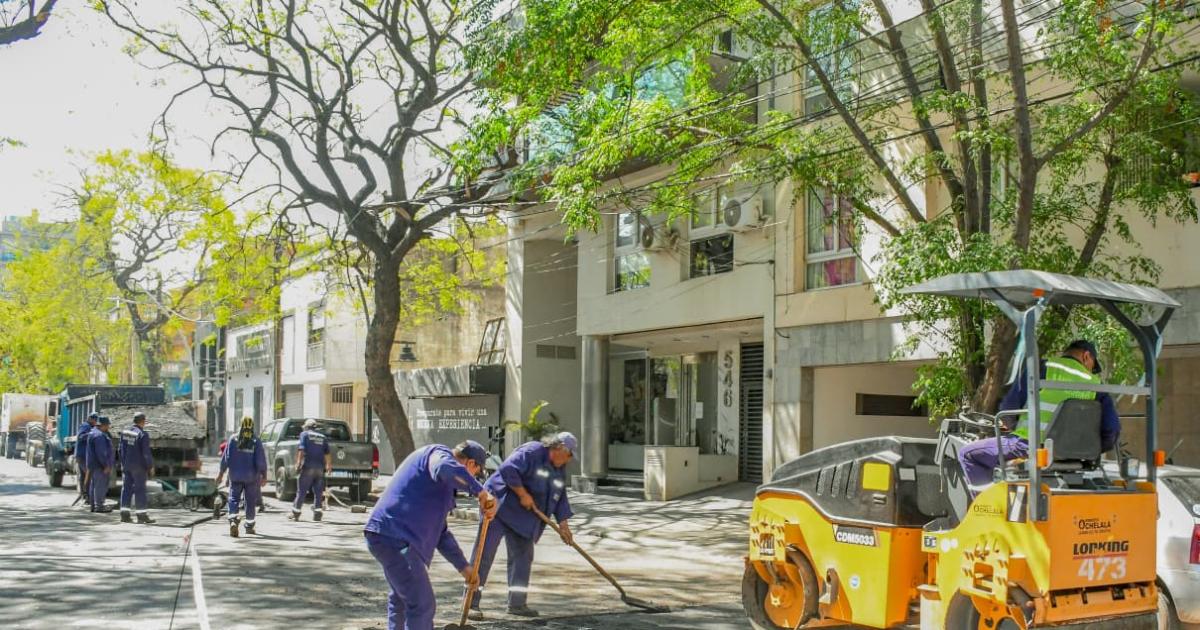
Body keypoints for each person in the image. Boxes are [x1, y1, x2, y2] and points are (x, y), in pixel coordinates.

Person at [364, 441, 497, 630]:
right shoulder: (438, 454)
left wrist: (464, 568)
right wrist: (480, 492)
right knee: (421, 604)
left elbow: (441, 533)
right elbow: (444, 467)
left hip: (387, 535)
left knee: (401, 599)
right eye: (476, 473)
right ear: (471, 465)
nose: (472, 477)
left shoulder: (440, 487)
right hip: (395, 537)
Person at [959, 339, 1120, 488]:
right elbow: (1111, 429)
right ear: (1086, 356)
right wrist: (1090, 451)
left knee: (967, 454)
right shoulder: (1096, 385)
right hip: (1077, 455)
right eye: (1093, 366)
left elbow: (1009, 407)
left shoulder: (1043, 367)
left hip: (1030, 446)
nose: (1092, 371)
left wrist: (1013, 427)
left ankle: (987, 509)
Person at [467, 432, 577, 620]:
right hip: (499, 507)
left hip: (523, 518)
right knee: (484, 555)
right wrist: (522, 493)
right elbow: (508, 469)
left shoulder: (559, 468)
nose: (570, 460)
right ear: (560, 448)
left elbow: (559, 496)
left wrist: (564, 525)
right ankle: (471, 602)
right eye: (569, 455)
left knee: (523, 557)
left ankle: (517, 604)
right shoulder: (532, 452)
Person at [215, 416, 267, 537]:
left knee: (233, 498)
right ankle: (249, 526)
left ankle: (233, 520)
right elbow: (260, 461)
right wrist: (263, 475)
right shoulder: (256, 440)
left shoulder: (233, 439)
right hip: (251, 478)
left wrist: (221, 474)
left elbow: (226, 459)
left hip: (235, 476)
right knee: (250, 501)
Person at [290, 418, 332, 522]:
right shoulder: (323, 437)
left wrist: (298, 463)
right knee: (318, 492)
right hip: (320, 469)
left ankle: (296, 512)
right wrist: (328, 466)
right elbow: (327, 453)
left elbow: (301, 449)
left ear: (307, 427)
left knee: (302, 491)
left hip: (308, 467)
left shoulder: (304, 434)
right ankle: (317, 513)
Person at [119, 412, 155, 524]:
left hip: (127, 465)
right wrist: (150, 466)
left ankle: (124, 515)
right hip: (139, 467)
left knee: (126, 489)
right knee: (140, 490)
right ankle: (141, 515)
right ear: (143, 421)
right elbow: (146, 453)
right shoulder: (143, 434)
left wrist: (123, 463)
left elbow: (120, 450)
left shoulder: (125, 433)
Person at [86, 417, 115, 513]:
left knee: (94, 485)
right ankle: (99, 506)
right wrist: (106, 465)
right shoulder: (99, 436)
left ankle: (93, 506)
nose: (108, 427)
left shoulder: (93, 432)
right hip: (99, 466)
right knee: (100, 485)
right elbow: (101, 453)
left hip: (93, 465)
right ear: (103, 425)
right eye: (107, 425)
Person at [75, 412, 98, 503]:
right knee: (89, 476)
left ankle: (85, 495)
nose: (96, 422)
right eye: (95, 420)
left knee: (84, 476)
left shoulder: (89, 426)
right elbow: (81, 437)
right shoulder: (85, 426)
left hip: (82, 455)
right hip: (83, 455)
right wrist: (92, 433)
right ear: (91, 419)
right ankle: (88, 496)